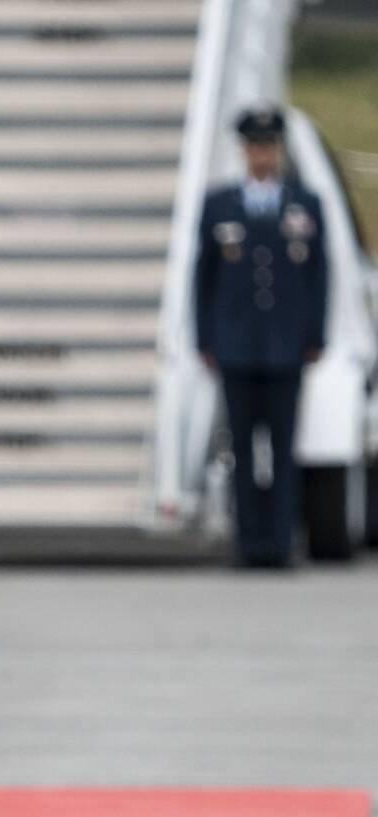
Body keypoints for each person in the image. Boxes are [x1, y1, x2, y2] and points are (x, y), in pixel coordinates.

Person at [194, 105, 328, 568]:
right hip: (235, 345)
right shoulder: (221, 205)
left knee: (284, 448)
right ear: (244, 150)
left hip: (287, 346)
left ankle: (281, 541)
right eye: (255, 146)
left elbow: (317, 276)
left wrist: (316, 334)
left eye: (269, 146)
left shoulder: (304, 204)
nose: (263, 155)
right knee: (244, 451)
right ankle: (249, 542)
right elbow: (204, 278)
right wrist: (204, 338)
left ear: (279, 150)